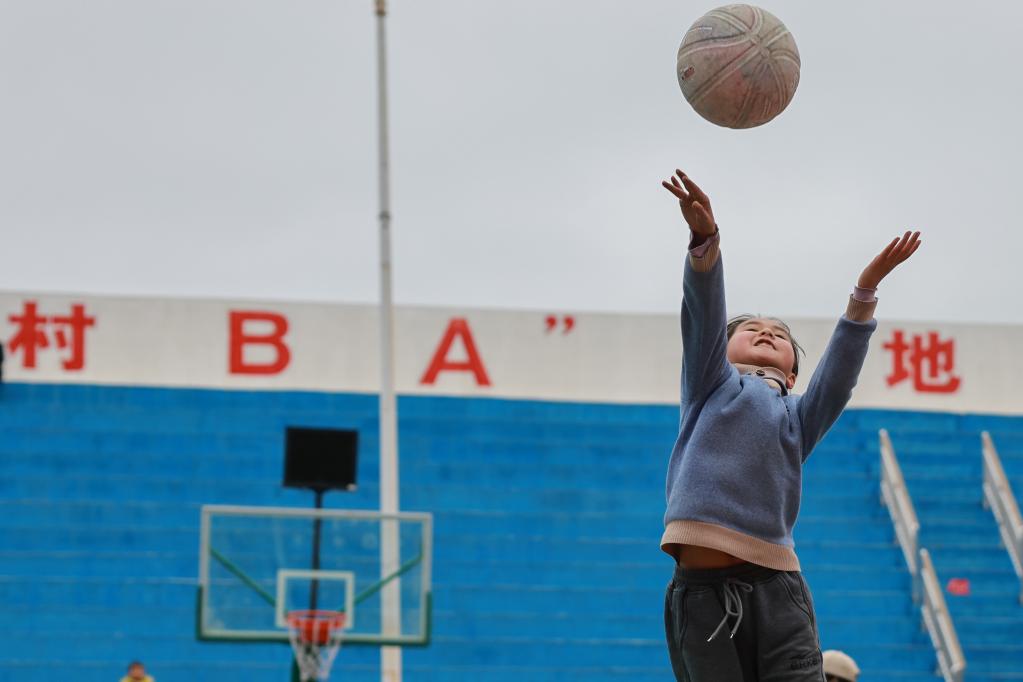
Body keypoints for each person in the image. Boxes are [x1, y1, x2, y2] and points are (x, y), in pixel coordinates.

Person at [660, 168, 921, 681]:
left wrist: (865, 291)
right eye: (750, 329)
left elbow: (839, 375)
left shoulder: (797, 415)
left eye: (779, 334)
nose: (766, 332)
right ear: (721, 352)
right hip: (701, 596)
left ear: (794, 373)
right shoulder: (709, 384)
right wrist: (706, 241)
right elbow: (704, 314)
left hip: (778, 590)